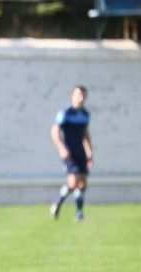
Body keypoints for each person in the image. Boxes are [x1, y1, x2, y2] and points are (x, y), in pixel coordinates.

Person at [50, 85, 94, 222]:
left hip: (80, 152)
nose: (81, 97)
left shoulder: (85, 114)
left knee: (83, 183)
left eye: (83, 95)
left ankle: (79, 213)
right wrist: (61, 148)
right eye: (78, 94)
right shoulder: (65, 113)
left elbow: (85, 134)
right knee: (74, 181)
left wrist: (89, 152)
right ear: (72, 96)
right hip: (69, 152)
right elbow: (55, 132)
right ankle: (57, 203)